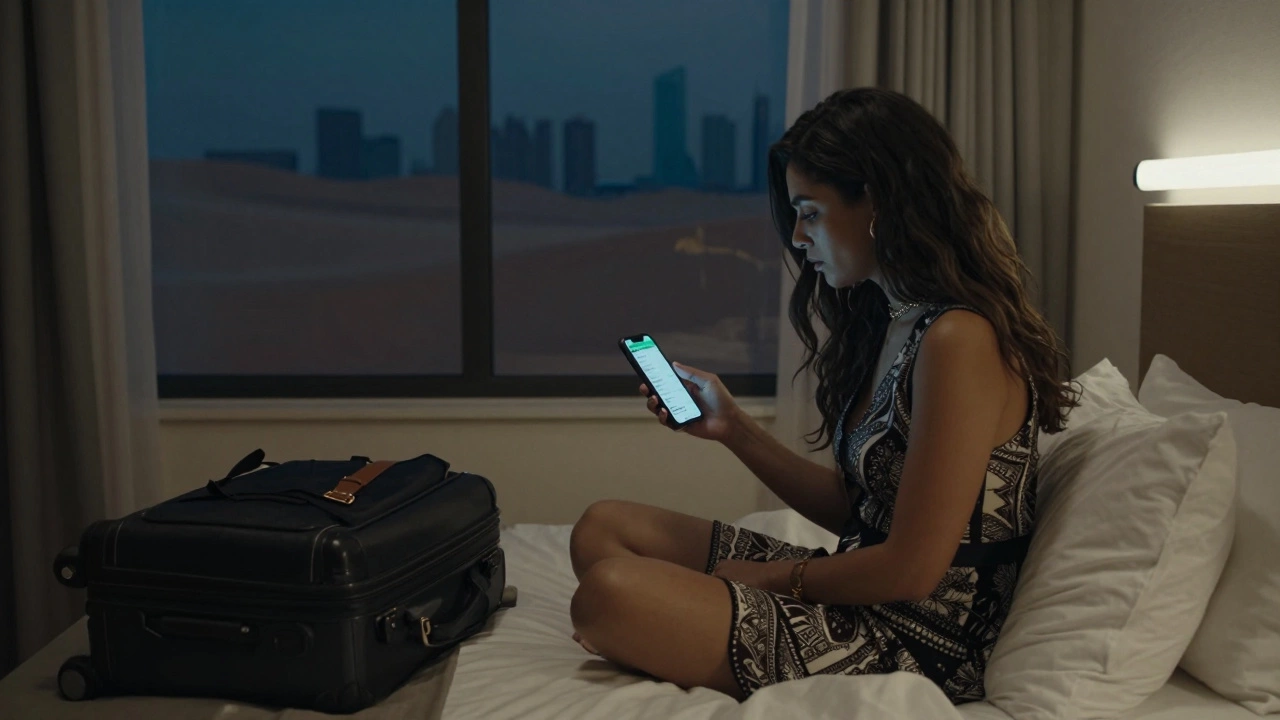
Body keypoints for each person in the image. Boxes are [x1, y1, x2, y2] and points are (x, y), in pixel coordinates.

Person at [567, 87, 1076, 704]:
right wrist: (734, 428)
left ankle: (661, 625)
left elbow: (914, 569)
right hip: (865, 585)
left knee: (608, 593)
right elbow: (859, 512)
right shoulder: (893, 319)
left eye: (809, 211)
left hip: (922, 640)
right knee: (602, 528)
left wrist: (772, 580)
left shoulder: (958, 340)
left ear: (878, 202)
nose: (799, 239)